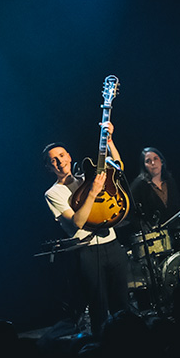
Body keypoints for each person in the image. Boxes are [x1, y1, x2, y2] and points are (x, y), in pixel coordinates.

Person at [43, 122, 131, 335]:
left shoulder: (86, 177)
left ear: (70, 156)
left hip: (112, 243)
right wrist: (92, 193)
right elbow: (78, 222)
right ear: (49, 167)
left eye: (62, 155)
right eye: (53, 160)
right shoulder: (53, 194)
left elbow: (117, 167)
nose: (59, 161)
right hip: (88, 252)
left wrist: (109, 141)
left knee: (123, 303)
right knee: (99, 307)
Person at [128, 147, 180, 231]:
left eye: (155, 159)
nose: (153, 163)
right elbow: (131, 214)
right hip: (155, 234)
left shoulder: (170, 181)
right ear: (144, 166)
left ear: (161, 161)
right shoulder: (138, 185)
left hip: (176, 229)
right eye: (148, 161)